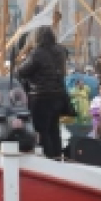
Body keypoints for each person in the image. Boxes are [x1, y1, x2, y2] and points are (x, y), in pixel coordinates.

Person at [16, 26, 68, 159]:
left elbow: (21, 71)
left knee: (42, 130)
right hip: (59, 96)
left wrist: (23, 58)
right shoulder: (60, 51)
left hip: (41, 96)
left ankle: (48, 158)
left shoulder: (37, 53)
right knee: (54, 129)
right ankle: (57, 156)